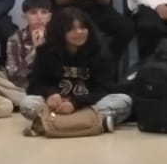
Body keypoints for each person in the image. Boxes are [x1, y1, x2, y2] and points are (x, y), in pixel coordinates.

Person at [19, 7, 132, 135]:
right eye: (71, 29)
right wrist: (50, 94)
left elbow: (104, 90)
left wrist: (75, 103)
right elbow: (34, 86)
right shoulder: (45, 52)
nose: (79, 32)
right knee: (27, 103)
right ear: (60, 31)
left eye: (83, 28)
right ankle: (96, 123)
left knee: (123, 100)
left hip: (87, 105)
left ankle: (50, 123)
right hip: (57, 107)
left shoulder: (100, 52)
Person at [5, 0, 51, 89]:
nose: (39, 17)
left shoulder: (56, 36)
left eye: (44, 12)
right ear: (24, 17)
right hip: (24, 88)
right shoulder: (15, 39)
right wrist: (35, 51)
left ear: (49, 16)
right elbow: (12, 76)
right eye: (33, 13)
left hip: (52, 87)